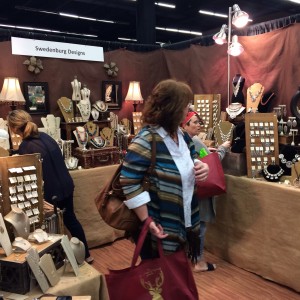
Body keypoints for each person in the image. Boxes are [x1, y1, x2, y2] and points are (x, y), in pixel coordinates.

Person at [119, 79, 209, 261]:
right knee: (157, 282)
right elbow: (128, 181)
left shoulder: (183, 135)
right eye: (185, 105)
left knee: (176, 278)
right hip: (158, 225)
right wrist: (147, 220)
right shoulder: (146, 140)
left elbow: (192, 160)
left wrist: (202, 166)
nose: (188, 110)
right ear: (172, 108)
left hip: (184, 220)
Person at [7, 110, 94, 263]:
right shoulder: (45, 136)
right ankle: (86, 255)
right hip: (66, 185)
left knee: (50, 226)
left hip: (52, 192)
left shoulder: (25, 147)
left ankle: (54, 260)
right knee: (71, 220)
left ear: (14, 128)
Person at [182, 110, 230, 272]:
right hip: (200, 190)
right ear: (185, 124)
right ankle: (198, 261)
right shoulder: (194, 140)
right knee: (200, 226)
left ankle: (190, 257)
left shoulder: (180, 140)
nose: (198, 125)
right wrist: (223, 149)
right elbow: (212, 162)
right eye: (194, 122)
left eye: (199, 122)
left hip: (189, 189)